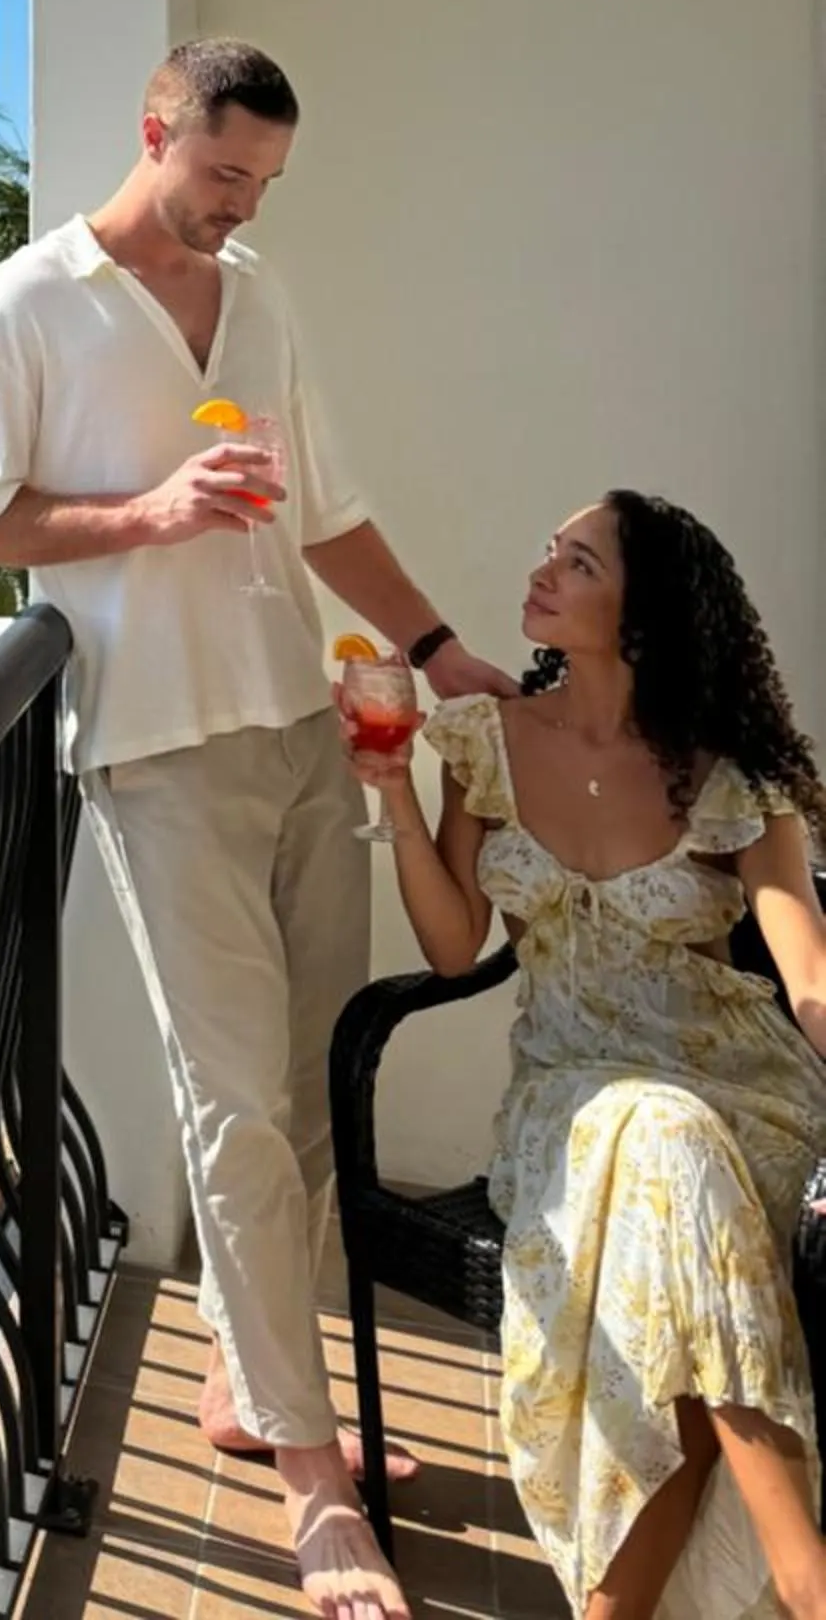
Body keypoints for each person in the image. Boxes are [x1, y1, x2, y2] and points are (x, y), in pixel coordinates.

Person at [0, 37, 514, 1620]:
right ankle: (306, 1477)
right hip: (154, 747)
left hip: (297, 724)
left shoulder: (262, 296)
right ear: (156, 132)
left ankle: (244, 1377)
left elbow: (328, 509)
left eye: (262, 183)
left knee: (300, 1085)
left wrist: (432, 652)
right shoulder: (28, 300)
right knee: (226, 1104)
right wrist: (147, 516)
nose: (238, 207)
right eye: (221, 174)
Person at [349, 492, 826, 1620]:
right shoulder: (485, 741)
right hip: (571, 1098)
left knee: (677, 1179)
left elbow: (806, 972)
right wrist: (394, 804)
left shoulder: (731, 776)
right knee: (660, 1144)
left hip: (740, 1089)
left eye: (580, 561)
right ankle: (809, 1579)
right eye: (550, 551)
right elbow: (456, 941)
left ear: (642, 610)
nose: (544, 569)